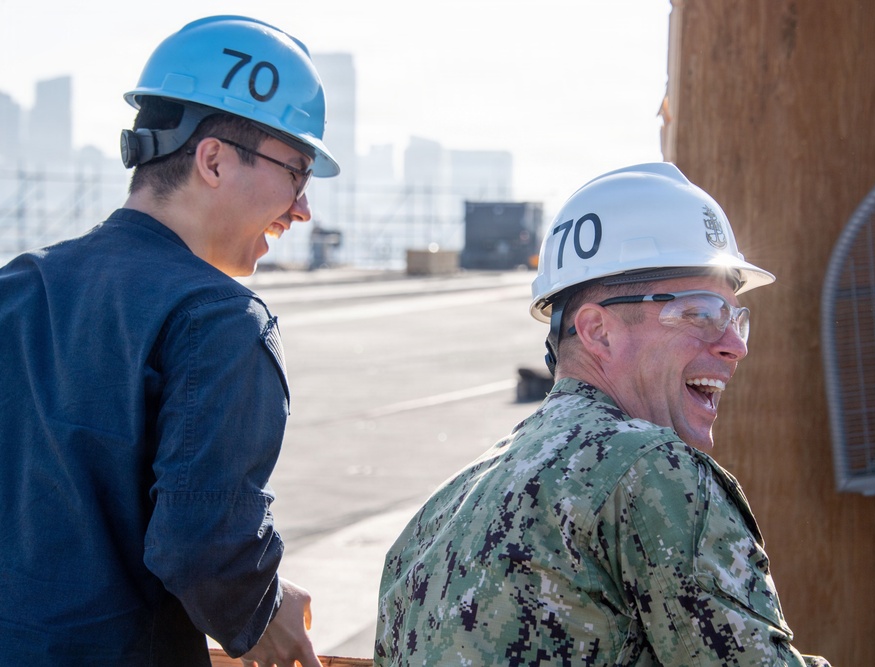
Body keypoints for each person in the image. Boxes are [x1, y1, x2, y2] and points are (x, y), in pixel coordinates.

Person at [374, 163, 831, 666]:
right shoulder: (652, 472)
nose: (734, 347)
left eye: (736, 319)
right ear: (597, 331)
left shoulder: (434, 521)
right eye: (702, 313)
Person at [0, 16, 339, 666]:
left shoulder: (16, 287)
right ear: (213, 159)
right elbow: (203, 547)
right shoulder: (221, 318)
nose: (303, 208)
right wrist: (263, 607)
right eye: (296, 173)